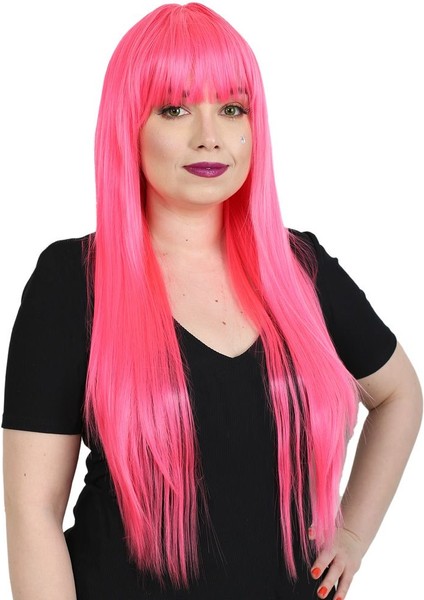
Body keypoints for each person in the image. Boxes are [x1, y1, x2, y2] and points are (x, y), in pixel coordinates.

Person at [2, 3, 422, 599]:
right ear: (129, 125)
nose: (209, 136)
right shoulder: (72, 282)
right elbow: (33, 511)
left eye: (231, 108)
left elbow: (400, 394)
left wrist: (352, 534)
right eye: (174, 109)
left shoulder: (301, 267)